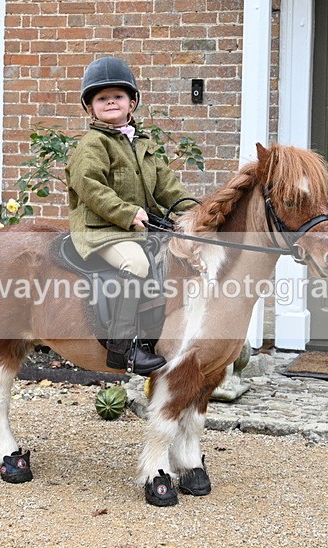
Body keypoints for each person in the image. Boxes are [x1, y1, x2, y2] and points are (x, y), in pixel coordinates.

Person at [66, 56, 196, 375]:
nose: (111, 101)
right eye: (101, 97)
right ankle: (122, 348)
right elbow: (90, 186)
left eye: (118, 96)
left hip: (137, 229)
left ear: (132, 102)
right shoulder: (93, 144)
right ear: (90, 108)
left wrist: (197, 214)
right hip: (102, 230)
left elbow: (167, 186)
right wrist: (128, 212)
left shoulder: (142, 145)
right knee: (135, 264)